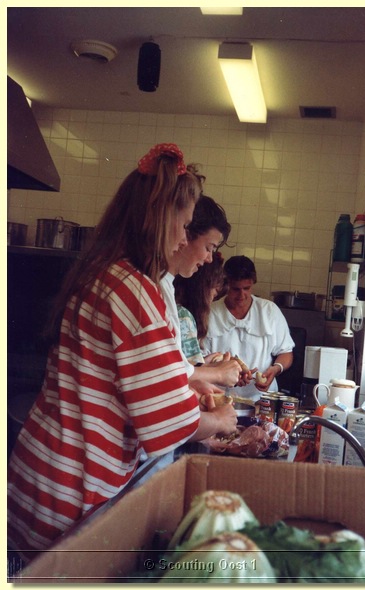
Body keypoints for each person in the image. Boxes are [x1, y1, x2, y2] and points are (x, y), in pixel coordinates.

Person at [7, 143, 237, 563]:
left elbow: (146, 388)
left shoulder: (105, 274)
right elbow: (170, 422)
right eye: (185, 227)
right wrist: (221, 419)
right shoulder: (133, 291)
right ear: (160, 221)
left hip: (40, 474)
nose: (188, 238)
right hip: (69, 493)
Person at [160, 195, 241, 388]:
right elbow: (162, 374)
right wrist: (217, 374)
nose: (209, 259)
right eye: (209, 247)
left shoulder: (165, 287)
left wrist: (208, 370)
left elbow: (172, 367)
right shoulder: (151, 286)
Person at [204, 255, 295, 401]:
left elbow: (286, 352)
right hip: (218, 397)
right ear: (225, 285)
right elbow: (201, 362)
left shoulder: (269, 311)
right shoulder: (210, 313)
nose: (242, 295)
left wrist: (276, 368)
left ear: (253, 283)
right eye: (235, 289)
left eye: (246, 288)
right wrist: (225, 374)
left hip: (262, 399)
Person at [174, 250, 226, 364]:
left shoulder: (176, 309)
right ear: (203, 290)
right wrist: (222, 372)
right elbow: (194, 375)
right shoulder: (183, 316)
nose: (211, 301)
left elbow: (191, 366)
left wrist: (206, 361)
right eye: (213, 294)